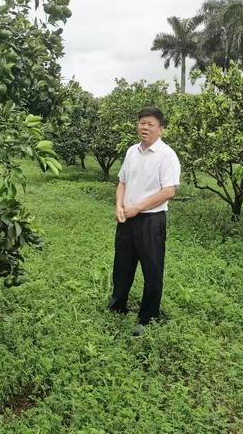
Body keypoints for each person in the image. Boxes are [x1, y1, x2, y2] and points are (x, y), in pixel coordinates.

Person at [108, 106, 180, 336]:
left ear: (161, 129)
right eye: (141, 123)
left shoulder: (167, 155)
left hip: (151, 220)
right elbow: (122, 182)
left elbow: (169, 191)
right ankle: (117, 305)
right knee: (122, 265)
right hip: (127, 218)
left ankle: (147, 317)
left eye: (150, 124)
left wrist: (137, 207)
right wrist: (119, 205)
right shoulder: (131, 151)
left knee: (152, 268)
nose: (144, 127)